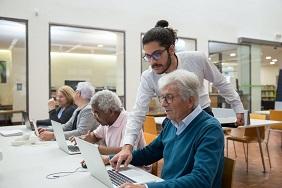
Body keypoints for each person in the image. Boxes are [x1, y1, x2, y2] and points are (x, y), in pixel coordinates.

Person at [111, 20, 244, 169]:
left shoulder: (196, 59)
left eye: (156, 54)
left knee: (200, 169)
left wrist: (238, 107)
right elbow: (138, 112)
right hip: (173, 121)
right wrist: (127, 146)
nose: (152, 62)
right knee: (175, 167)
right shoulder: (148, 76)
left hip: (201, 118)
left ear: (171, 49)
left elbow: (221, 83)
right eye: (147, 56)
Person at [117, 70, 224, 188]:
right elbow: (150, 153)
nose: (163, 104)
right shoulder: (171, 122)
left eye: (169, 97)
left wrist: (146, 187)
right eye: (162, 98)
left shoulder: (209, 129)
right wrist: (118, 158)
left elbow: (201, 180)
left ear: (190, 100)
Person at [70, 90, 146, 165]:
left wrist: (96, 149)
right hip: (118, 163)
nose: (94, 116)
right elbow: (95, 135)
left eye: (97, 113)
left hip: (136, 167)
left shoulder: (130, 122)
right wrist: (85, 139)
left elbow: (125, 151)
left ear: (111, 112)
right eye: (93, 113)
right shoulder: (107, 122)